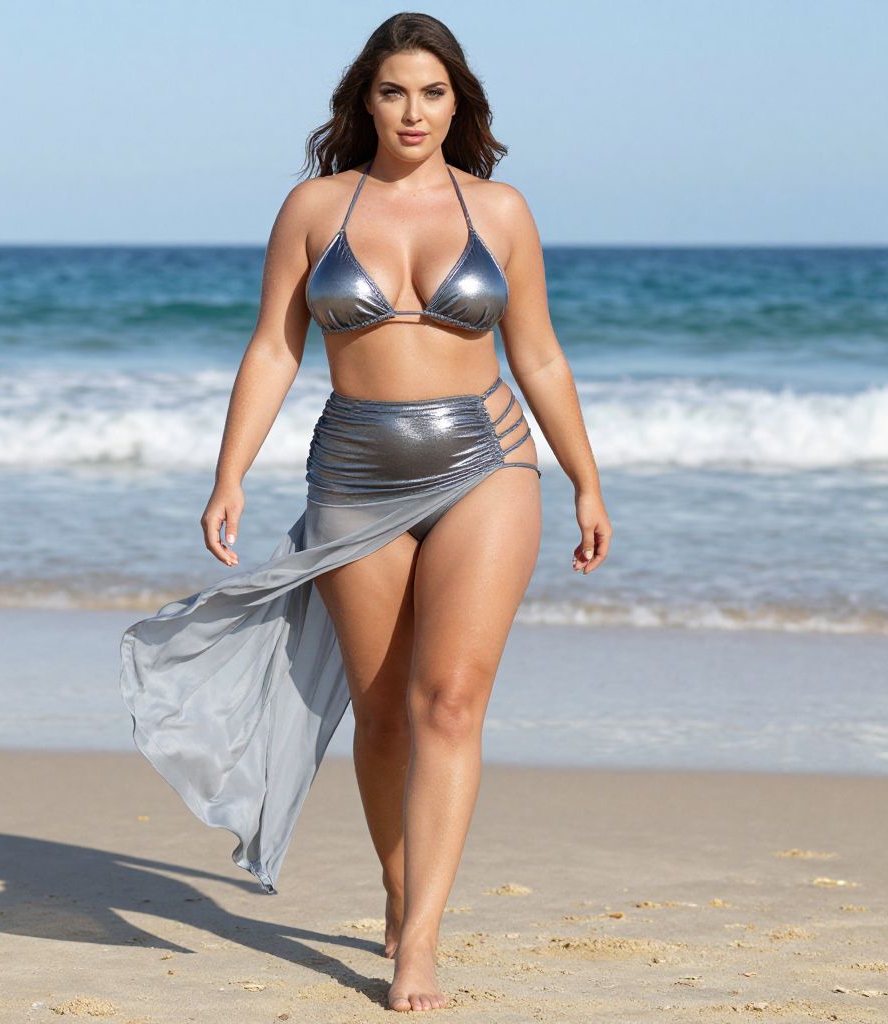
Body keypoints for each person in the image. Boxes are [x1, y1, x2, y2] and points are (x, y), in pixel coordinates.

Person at [120, 12, 612, 1013]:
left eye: (433, 93)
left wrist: (585, 478)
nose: (413, 111)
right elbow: (272, 349)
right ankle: (397, 890)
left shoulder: (500, 212)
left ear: (459, 102)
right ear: (364, 101)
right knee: (382, 707)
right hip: (352, 473)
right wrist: (229, 473)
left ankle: (418, 941)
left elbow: (541, 354)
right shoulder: (314, 208)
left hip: (489, 461)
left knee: (449, 700)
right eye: (393, 92)